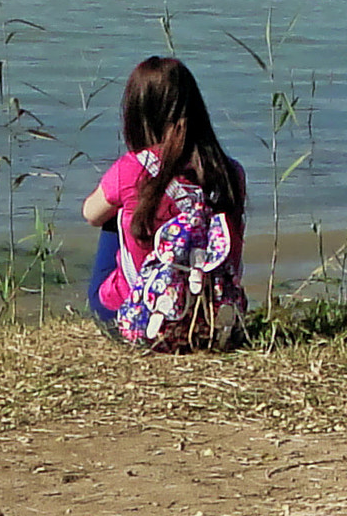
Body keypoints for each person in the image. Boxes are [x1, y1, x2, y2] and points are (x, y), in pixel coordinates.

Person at [83, 56, 246, 330]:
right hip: (209, 317)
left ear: (137, 112)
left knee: (112, 215)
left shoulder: (131, 168)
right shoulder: (230, 173)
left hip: (137, 316)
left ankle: (132, 297)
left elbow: (89, 214)